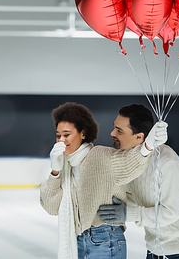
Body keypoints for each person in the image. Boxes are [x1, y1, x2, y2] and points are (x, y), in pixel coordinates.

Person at [40, 102, 168, 259]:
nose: (61, 140)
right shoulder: (66, 167)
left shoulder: (99, 155)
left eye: (67, 135)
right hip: (79, 239)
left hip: (104, 239)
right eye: (58, 135)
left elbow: (129, 163)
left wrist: (148, 145)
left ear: (83, 134)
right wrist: (55, 171)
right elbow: (51, 207)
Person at [97, 104, 179, 259]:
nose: (112, 133)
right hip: (154, 250)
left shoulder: (167, 162)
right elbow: (134, 197)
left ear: (139, 136)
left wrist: (128, 213)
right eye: (114, 127)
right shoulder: (128, 161)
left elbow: (170, 213)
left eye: (119, 130)